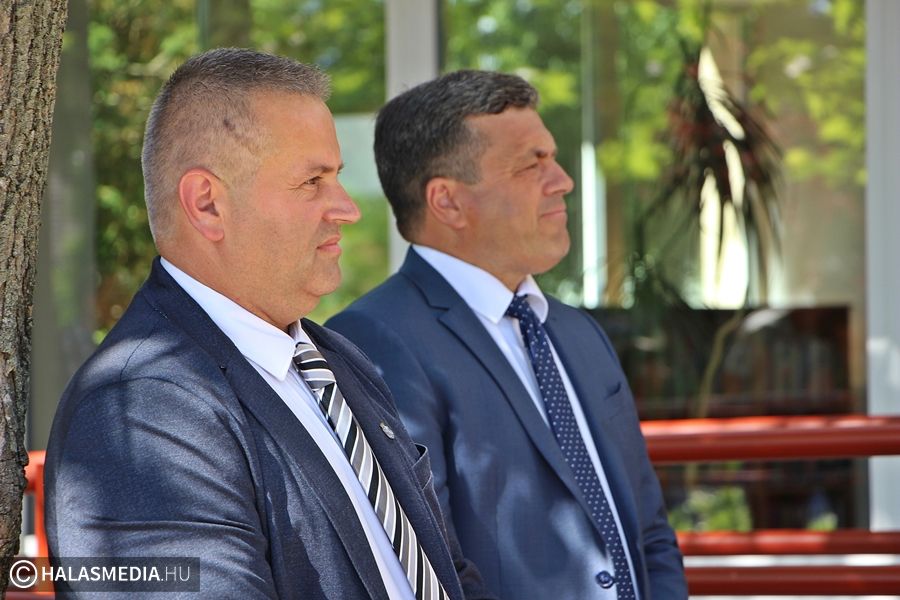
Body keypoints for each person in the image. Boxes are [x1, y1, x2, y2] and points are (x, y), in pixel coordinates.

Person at [44, 49, 494, 600]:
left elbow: (447, 574)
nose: (347, 208)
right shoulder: (140, 410)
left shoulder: (334, 361)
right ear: (207, 204)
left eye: (336, 177)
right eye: (312, 181)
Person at [326, 70, 687, 599]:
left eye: (552, 157)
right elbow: (425, 569)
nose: (562, 180)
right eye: (530, 165)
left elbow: (648, 530)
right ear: (447, 202)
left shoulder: (579, 332)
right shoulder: (371, 342)